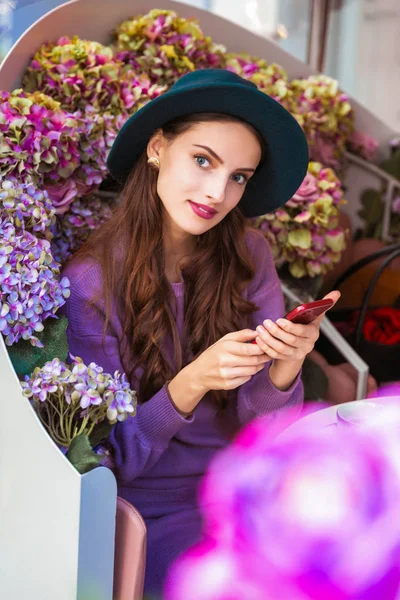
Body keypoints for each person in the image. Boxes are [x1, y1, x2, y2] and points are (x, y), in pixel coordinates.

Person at [60, 69, 340, 598]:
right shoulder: (90, 283)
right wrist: (190, 383)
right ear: (157, 148)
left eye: (239, 176)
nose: (218, 191)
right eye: (203, 160)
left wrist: (286, 364)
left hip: (246, 487)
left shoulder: (247, 255)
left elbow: (262, 430)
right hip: (150, 509)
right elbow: (104, 462)